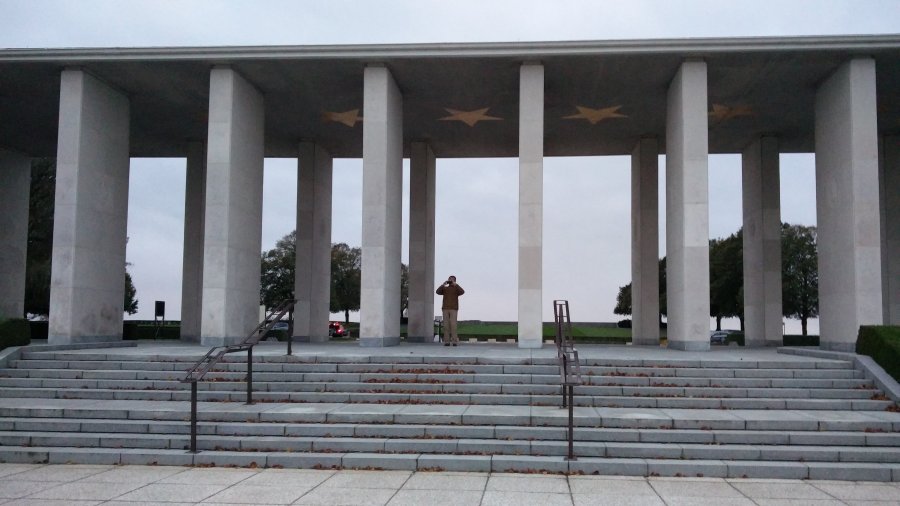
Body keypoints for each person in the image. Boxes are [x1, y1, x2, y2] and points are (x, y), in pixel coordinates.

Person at [436, 275, 465, 346]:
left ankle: (454, 341)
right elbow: (437, 292)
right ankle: (447, 341)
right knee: (446, 325)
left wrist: (456, 285)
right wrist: (443, 285)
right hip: (445, 308)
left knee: (453, 325)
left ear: (454, 280)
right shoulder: (445, 288)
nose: (450, 280)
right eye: (449, 279)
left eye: (452, 279)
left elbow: (462, 292)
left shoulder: (456, 288)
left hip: (453, 309)